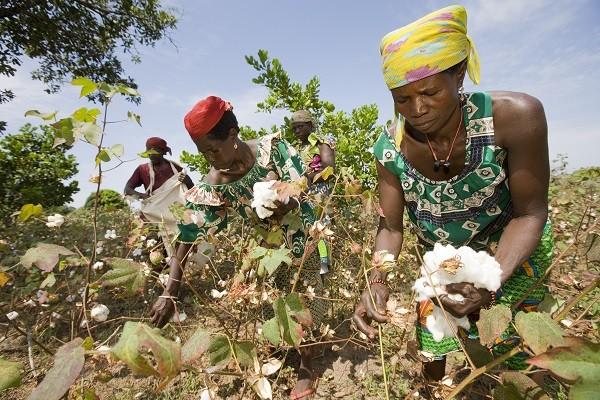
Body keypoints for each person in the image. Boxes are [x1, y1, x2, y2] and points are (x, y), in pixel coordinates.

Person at [352, 5, 553, 382]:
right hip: (444, 263)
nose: (418, 109)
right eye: (402, 99)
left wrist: (491, 279)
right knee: (434, 344)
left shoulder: (515, 117)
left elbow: (530, 213)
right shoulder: (389, 149)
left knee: (518, 358)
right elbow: (392, 229)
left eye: (429, 92)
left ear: (459, 74)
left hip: (510, 250)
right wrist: (376, 281)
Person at [149, 96, 328, 399]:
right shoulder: (214, 186)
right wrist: (171, 290)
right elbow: (188, 237)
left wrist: (290, 199)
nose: (209, 158)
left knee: (309, 297)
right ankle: (287, 342)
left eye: (212, 149)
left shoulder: (272, 151)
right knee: (281, 299)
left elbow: (304, 183)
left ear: (232, 136)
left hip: (305, 235)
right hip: (267, 252)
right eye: (202, 152)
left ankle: (308, 365)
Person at [124, 137, 194, 255]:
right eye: (148, 153)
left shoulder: (175, 168)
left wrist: (187, 181)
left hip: (178, 215)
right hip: (156, 217)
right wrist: (142, 196)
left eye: (154, 153)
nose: (151, 156)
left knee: (188, 244)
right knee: (157, 252)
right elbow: (127, 189)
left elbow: (192, 190)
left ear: (162, 152)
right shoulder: (143, 170)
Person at [290, 110, 336, 274]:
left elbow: (329, 169)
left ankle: (325, 267)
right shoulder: (296, 148)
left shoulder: (322, 142)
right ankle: (307, 268)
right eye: (294, 128)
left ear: (310, 125)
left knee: (320, 230)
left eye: (300, 127)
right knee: (305, 231)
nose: (296, 132)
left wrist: (308, 177)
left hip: (319, 196)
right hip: (302, 196)